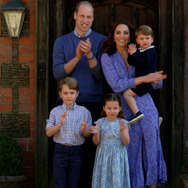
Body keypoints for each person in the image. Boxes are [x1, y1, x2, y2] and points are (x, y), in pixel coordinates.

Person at [101, 21, 167, 188]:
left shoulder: (141, 52)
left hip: (146, 103)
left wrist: (156, 79)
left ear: (131, 37)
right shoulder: (107, 57)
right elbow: (116, 85)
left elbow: (155, 82)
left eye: (125, 33)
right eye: (118, 32)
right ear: (113, 35)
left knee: (152, 147)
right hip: (124, 107)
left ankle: (152, 184)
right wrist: (144, 79)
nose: (122, 36)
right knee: (132, 150)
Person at [52, 1, 106, 187]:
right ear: (75, 15)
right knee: (66, 155)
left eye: (89, 17)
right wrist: (76, 57)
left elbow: (100, 75)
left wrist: (90, 55)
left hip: (93, 103)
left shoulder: (101, 41)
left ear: (93, 18)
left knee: (90, 155)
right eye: (82, 16)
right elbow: (58, 73)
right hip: (67, 104)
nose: (85, 20)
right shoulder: (62, 41)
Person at [45, 77, 92, 188]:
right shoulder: (55, 111)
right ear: (60, 94)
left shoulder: (84, 111)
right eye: (65, 93)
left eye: (72, 92)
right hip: (60, 150)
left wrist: (84, 129)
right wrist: (60, 124)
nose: (69, 96)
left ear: (77, 94)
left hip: (76, 151)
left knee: (73, 183)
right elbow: (48, 133)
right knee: (59, 183)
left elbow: (88, 134)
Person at [90, 93, 130, 188]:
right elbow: (96, 142)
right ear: (104, 108)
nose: (112, 111)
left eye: (115, 108)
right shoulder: (100, 122)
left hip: (118, 156)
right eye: (109, 108)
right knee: (103, 180)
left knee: (117, 181)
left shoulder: (123, 123)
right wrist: (96, 133)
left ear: (119, 108)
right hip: (103, 156)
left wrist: (122, 131)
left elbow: (126, 142)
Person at [123, 25, 158, 124]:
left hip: (145, 82)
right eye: (142, 38)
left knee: (127, 94)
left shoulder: (151, 51)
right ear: (137, 41)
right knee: (144, 100)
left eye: (147, 38)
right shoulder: (141, 51)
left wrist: (134, 54)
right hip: (142, 81)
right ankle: (153, 117)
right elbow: (133, 63)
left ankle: (137, 113)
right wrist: (130, 54)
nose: (145, 41)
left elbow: (144, 63)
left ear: (152, 39)